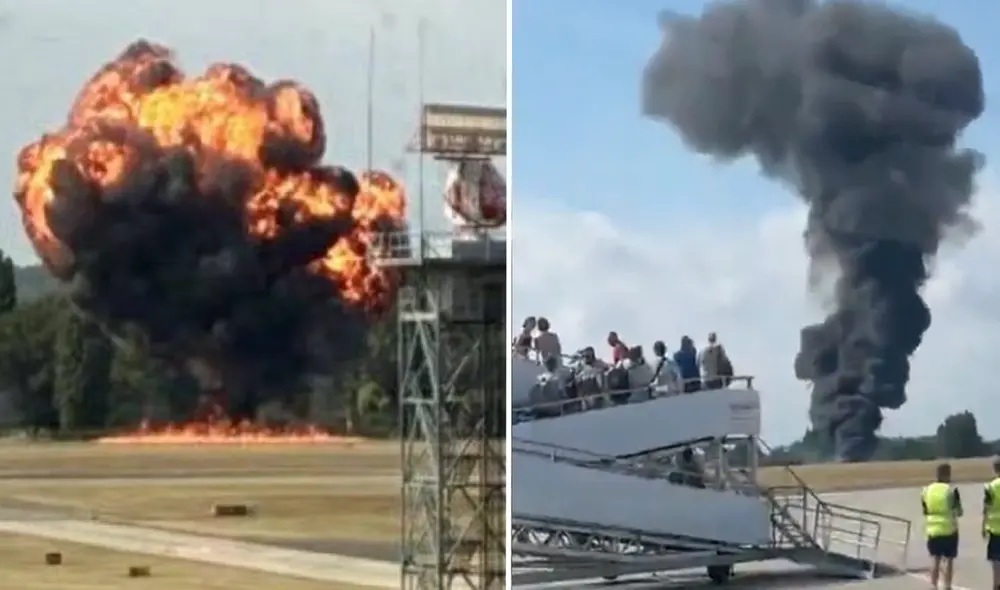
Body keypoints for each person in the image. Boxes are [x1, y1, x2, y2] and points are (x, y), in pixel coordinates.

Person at [923, 462, 962, 590]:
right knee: (949, 560)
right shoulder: (951, 490)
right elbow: (959, 511)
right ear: (947, 474)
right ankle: (947, 586)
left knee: (935, 559)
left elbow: (925, 510)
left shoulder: (927, 490)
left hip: (933, 529)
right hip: (949, 529)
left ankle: (933, 585)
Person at [982, 457, 1000, 589]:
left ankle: (996, 584)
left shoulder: (990, 487)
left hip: (995, 528)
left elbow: (986, 508)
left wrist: (983, 525)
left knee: (995, 559)